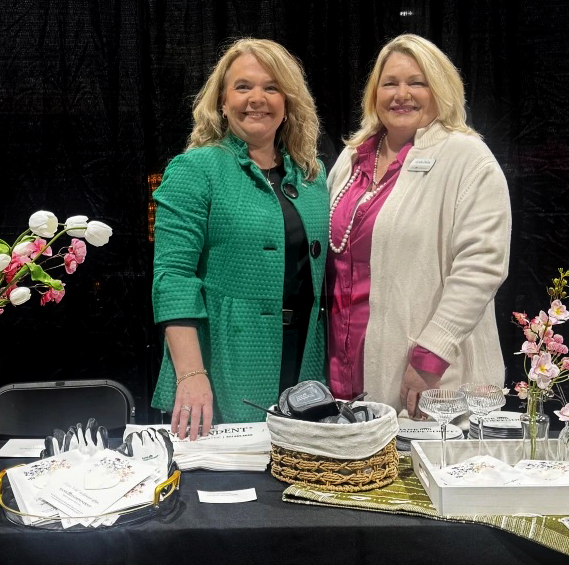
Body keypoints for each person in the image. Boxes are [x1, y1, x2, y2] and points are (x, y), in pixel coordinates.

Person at [151, 38, 329, 438]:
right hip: (226, 359)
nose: (257, 99)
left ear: (288, 101)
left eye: (271, 87)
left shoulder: (313, 174)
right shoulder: (195, 168)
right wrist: (191, 374)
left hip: (306, 356)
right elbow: (173, 278)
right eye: (243, 87)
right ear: (222, 101)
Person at [326, 34, 511, 419]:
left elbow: (482, 266)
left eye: (417, 83)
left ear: (440, 89)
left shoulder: (466, 157)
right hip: (345, 373)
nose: (401, 94)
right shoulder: (350, 158)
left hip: (430, 378)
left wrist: (432, 355)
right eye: (390, 83)